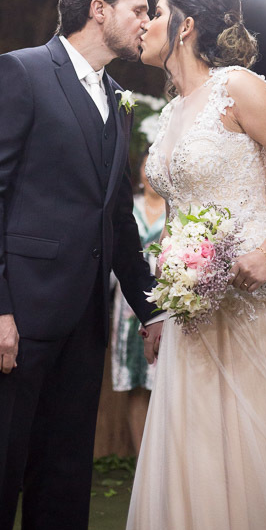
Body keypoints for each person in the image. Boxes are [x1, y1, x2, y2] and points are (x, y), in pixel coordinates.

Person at [0, 0, 162, 530]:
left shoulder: (118, 98)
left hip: (85, 323)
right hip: (18, 317)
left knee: (67, 475)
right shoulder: (18, 72)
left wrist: (152, 309)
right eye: (138, 9)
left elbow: (116, 218)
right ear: (99, 11)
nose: (146, 22)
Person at [124, 0, 266, 530]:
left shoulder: (238, 88)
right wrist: (160, 306)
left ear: (185, 26)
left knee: (245, 443)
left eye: (155, 13)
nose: (144, 23)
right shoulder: (171, 110)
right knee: (194, 442)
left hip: (252, 292)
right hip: (190, 300)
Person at [110, 150, 165, 453]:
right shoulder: (128, 206)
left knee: (163, 381)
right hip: (126, 305)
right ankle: (140, 459)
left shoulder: (176, 209)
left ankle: (164, 459)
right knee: (135, 385)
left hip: (165, 296)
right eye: (146, 166)